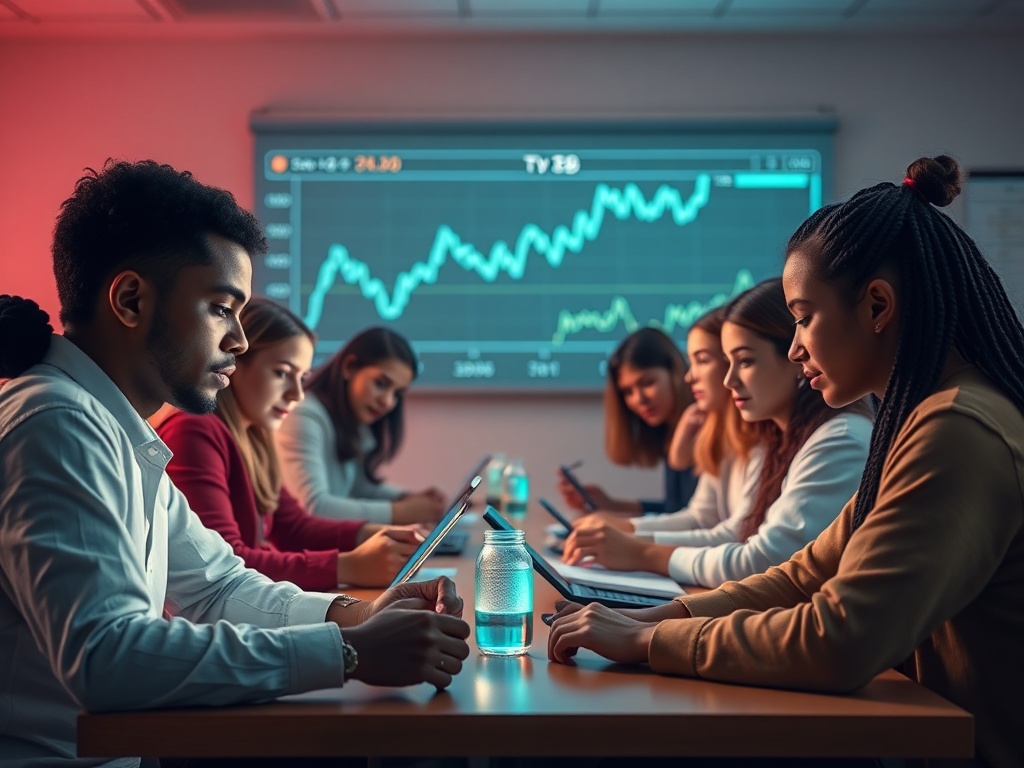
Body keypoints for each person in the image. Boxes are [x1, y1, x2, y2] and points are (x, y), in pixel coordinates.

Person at [546, 156, 1024, 768]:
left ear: (877, 306)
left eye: (803, 318)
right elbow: (805, 575)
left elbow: (841, 639)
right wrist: (652, 617)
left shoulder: (958, 429)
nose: (795, 348)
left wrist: (651, 639)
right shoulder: (923, 418)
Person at [0, 160, 470, 768]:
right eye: (222, 308)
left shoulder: (117, 431)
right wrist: (348, 653)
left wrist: (360, 614)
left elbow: (218, 586)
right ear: (131, 300)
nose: (240, 342)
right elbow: (105, 659)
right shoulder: (57, 423)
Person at [562, 282, 872, 588]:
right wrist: (627, 540)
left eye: (744, 361)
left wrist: (640, 551)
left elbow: (762, 561)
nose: (728, 380)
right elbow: (730, 531)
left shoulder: (840, 440)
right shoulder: (778, 439)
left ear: (794, 357)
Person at [155, 297, 421, 590]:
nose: (297, 394)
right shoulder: (194, 431)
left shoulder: (254, 437)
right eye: (282, 373)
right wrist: (347, 566)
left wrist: (380, 534)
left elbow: (294, 527)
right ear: (235, 363)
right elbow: (225, 564)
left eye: (302, 378)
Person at [276, 326, 446, 525]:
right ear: (349, 367)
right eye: (381, 384)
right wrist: (400, 512)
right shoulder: (303, 416)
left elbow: (357, 489)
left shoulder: (349, 420)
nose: (387, 402)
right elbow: (313, 507)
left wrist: (405, 498)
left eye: (397, 394)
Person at [555, 326, 699, 518]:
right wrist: (610, 504)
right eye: (628, 392)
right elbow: (676, 510)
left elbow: (697, 521)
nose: (639, 400)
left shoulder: (700, 431)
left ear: (675, 373)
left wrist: (621, 528)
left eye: (647, 383)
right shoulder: (670, 433)